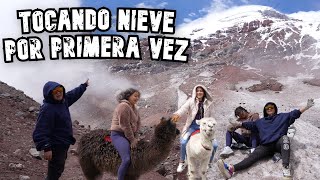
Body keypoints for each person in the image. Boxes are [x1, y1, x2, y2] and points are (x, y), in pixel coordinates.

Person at [218, 99, 315, 179]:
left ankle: (286, 168)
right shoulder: (261, 121)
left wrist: (306, 107)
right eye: (267, 108)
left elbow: (295, 114)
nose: (269, 109)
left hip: (278, 143)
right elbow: (249, 125)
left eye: (271, 107)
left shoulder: (282, 117)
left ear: (275, 109)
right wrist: (237, 124)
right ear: (265, 110)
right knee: (252, 157)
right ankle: (231, 169)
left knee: (285, 139)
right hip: (265, 146)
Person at [33, 79, 89, 180]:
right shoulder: (47, 109)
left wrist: (83, 86)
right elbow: (41, 130)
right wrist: (46, 148)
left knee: (58, 168)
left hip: (63, 142)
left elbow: (74, 94)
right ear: (49, 94)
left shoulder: (63, 101)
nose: (59, 93)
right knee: (55, 171)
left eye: (60, 90)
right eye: (55, 92)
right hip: (56, 145)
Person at [171, 85, 215, 172]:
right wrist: (177, 115)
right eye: (197, 91)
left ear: (204, 92)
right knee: (183, 142)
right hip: (193, 126)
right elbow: (183, 109)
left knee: (215, 145)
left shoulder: (209, 103)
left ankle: (209, 162)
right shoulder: (191, 101)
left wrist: (211, 127)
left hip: (204, 127)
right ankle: (182, 161)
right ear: (195, 92)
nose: (199, 92)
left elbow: (212, 117)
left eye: (201, 91)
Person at [110, 88, 141, 180]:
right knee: (126, 159)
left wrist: (136, 135)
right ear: (128, 96)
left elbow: (138, 123)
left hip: (129, 134)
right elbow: (124, 125)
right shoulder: (123, 106)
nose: (137, 98)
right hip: (118, 134)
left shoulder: (134, 108)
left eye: (138, 96)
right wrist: (132, 140)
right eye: (135, 96)